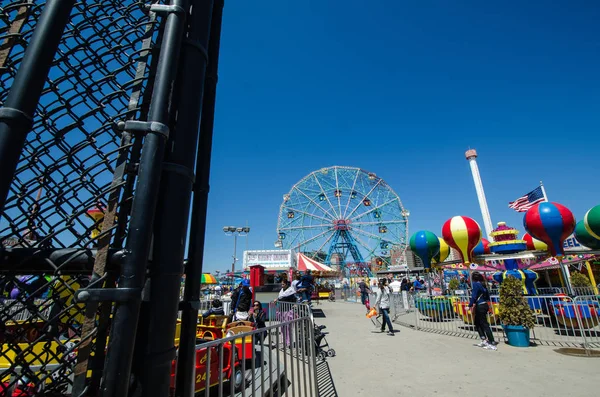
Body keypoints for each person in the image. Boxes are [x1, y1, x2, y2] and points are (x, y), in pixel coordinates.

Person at [468, 272, 497, 350]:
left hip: (480, 305)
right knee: (477, 322)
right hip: (484, 304)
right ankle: (484, 339)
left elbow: (474, 296)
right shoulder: (483, 284)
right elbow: (487, 296)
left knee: (484, 324)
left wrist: (470, 305)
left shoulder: (475, 284)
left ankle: (492, 342)